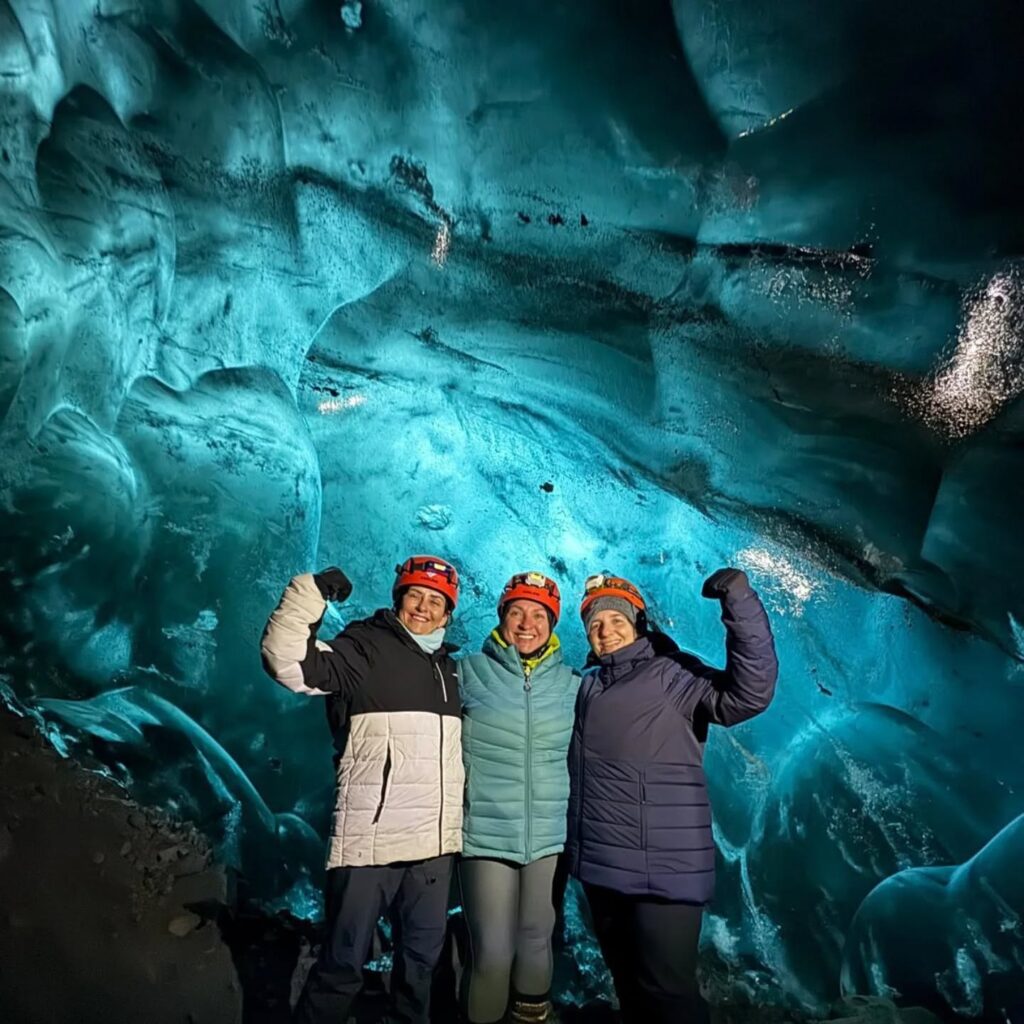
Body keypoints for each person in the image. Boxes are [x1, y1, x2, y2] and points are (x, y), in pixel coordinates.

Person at [566, 569, 778, 1024]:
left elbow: (747, 694)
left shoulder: (671, 673)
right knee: (630, 987)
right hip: (603, 870)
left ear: (638, 623)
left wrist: (738, 603)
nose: (606, 632)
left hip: (662, 871)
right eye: (595, 624)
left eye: (617, 621)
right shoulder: (588, 683)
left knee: (668, 995)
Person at [260, 555, 464, 1024]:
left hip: (433, 849)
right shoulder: (364, 648)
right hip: (369, 844)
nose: (424, 608)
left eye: (436, 601)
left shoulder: (450, 672)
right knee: (342, 965)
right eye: (415, 595)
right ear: (398, 600)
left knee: (419, 969)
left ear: (447, 613)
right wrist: (309, 592)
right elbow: (287, 661)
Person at [457, 572, 581, 1024]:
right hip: (486, 833)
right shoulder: (467, 671)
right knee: (491, 949)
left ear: (552, 623)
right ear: (502, 618)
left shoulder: (572, 685)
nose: (527, 623)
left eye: (538, 614)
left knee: (535, 937)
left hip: (548, 837)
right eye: (516, 612)